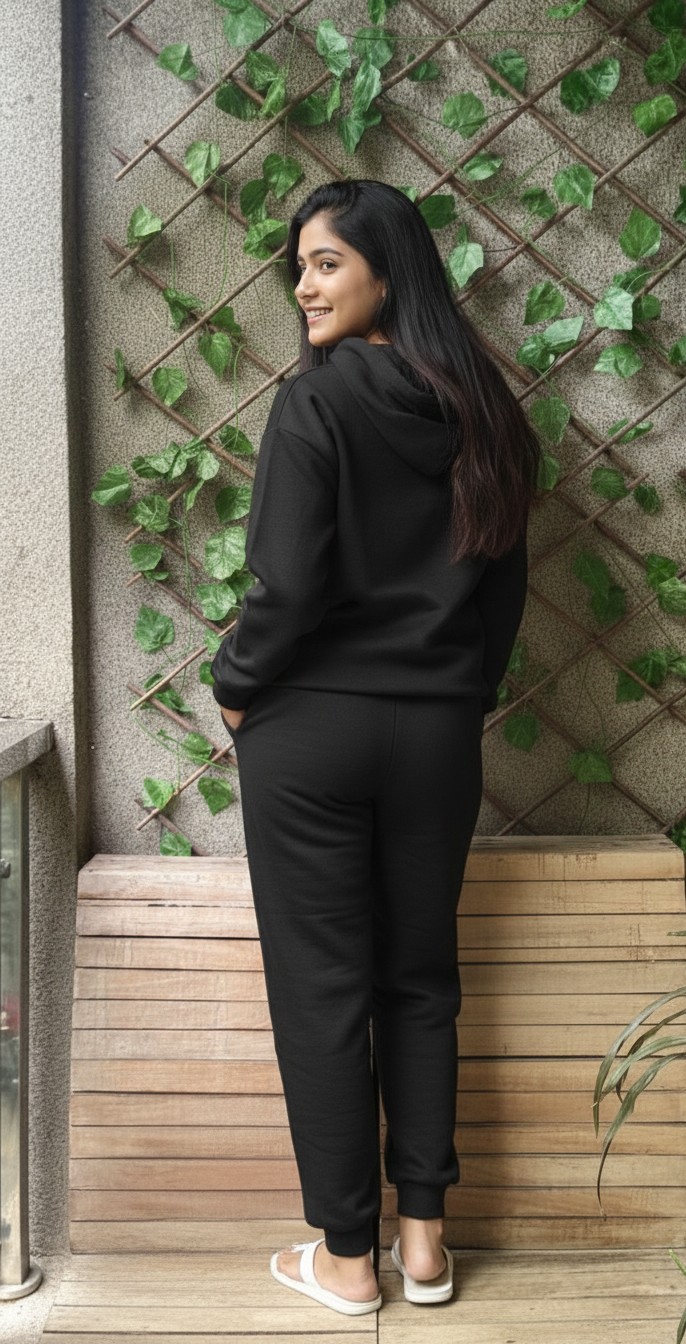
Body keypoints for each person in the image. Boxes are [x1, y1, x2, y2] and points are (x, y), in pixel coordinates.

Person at [210, 179, 541, 1315]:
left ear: (386, 269)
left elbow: (288, 584)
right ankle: (424, 1245)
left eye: (323, 263)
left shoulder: (317, 407)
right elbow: (500, 599)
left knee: (323, 990)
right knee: (419, 982)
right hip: (437, 735)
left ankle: (344, 1261)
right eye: (299, 266)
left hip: (312, 733)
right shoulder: (491, 412)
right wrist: (452, 699)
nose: (301, 285)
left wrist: (237, 689)